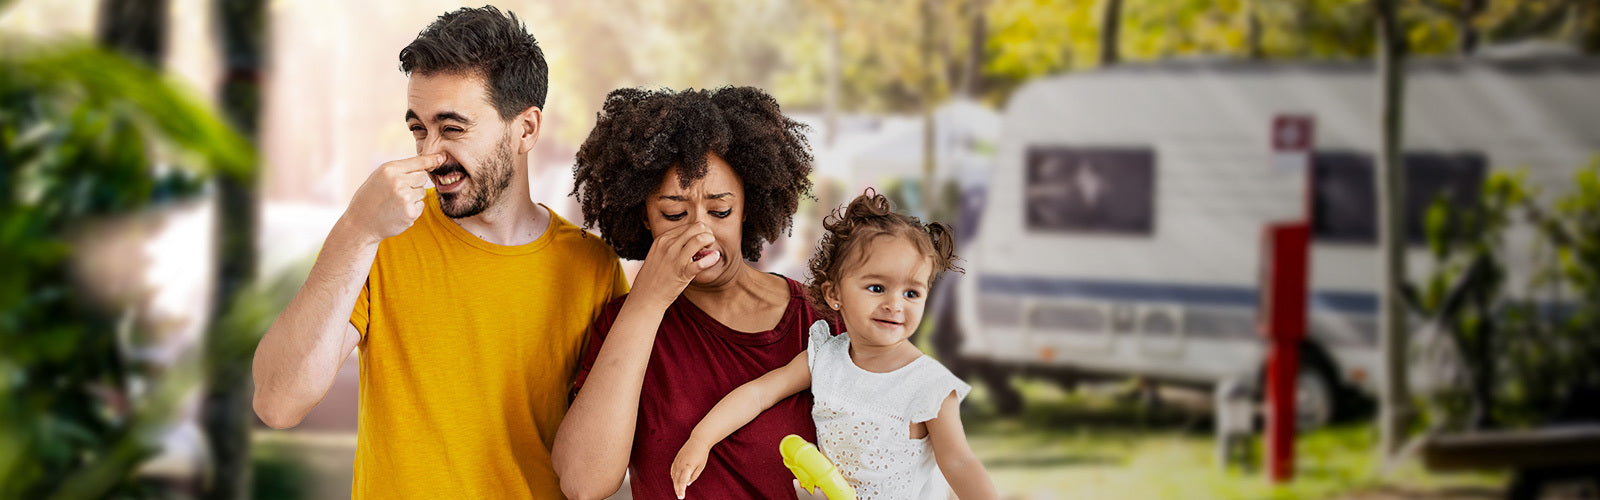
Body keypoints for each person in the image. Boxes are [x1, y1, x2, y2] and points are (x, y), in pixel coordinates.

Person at [250, 7, 627, 498]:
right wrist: (357, 230)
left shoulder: (591, 268)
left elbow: (595, 472)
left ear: (527, 129)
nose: (430, 154)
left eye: (452, 129)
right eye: (418, 129)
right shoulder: (384, 236)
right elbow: (279, 402)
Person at [553, 86, 828, 500]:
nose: (701, 232)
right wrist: (647, 303)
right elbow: (583, 484)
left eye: (720, 211)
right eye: (674, 214)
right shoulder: (623, 325)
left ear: (747, 208)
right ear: (644, 216)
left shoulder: (822, 321)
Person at [670, 190, 998, 500]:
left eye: (911, 292)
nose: (895, 304)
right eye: (876, 287)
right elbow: (759, 394)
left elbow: (959, 463)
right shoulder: (827, 358)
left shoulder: (928, 386)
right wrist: (702, 439)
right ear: (833, 294)